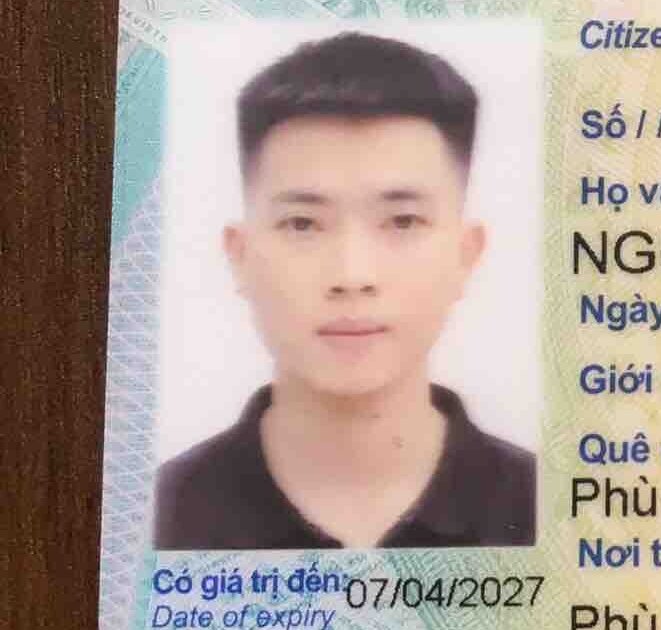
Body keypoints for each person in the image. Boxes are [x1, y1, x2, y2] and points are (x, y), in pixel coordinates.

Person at [154, 31, 536, 549]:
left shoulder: (552, 511)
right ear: (239, 255)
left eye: (402, 221)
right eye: (302, 224)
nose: (352, 275)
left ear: (466, 254)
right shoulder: (153, 519)